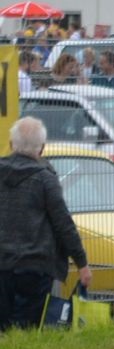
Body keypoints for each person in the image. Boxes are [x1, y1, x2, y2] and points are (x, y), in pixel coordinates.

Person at [0, 117, 91, 332]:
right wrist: (82, 263)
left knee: (3, 328)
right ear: (42, 148)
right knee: (29, 328)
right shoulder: (45, 179)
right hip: (36, 267)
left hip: (1, 265)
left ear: (12, 144)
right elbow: (63, 224)